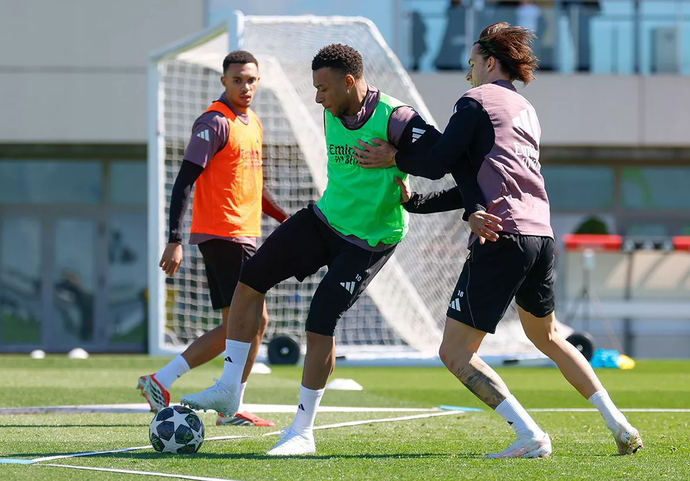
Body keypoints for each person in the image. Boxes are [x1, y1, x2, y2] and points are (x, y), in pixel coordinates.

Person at [181, 43, 488, 456]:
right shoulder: (331, 110)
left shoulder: (396, 119)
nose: (316, 98)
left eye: (323, 88)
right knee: (250, 279)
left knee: (320, 318)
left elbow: (451, 161)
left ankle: (301, 433)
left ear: (349, 82)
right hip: (325, 219)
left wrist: (456, 197)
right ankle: (229, 389)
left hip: (371, 239)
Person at [353, 22, 642, 458]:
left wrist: (395, 156)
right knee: (547, 337)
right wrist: (418, 204)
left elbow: (438, 161)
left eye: (471, 64)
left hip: (501, 236)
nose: (467, 74)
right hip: (540, 235)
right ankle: (619, 424)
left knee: (454, 352)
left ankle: (529, 435)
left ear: (490, 62)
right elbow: (476, 181)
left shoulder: (475, 101)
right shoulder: (525, 110)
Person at [137, 50, 288, 428]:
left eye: (251, 79)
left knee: (236, 325)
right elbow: (183, 181)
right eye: (238, 79)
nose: (245, 86)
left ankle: (162, 381)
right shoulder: (214, 122)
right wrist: (174, 239)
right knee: (254, 321)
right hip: (224, 234)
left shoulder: (251, 122)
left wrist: (287, 218)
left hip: (243, 233)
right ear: (224, 82)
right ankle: (230, 402)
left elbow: (255, 186)